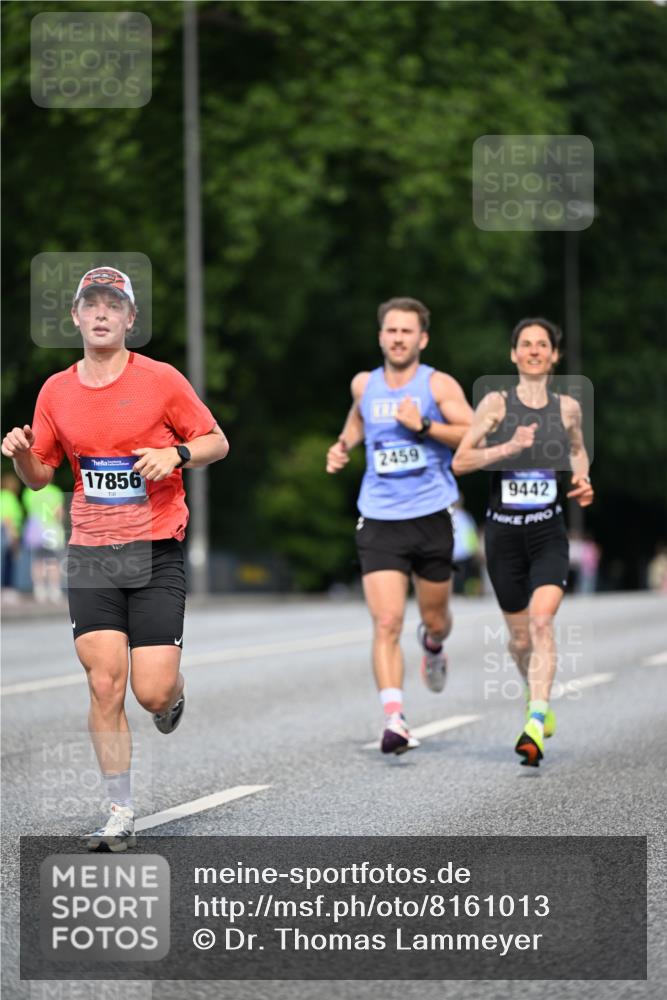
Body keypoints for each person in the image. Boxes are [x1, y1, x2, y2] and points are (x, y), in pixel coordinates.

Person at [1, 265, 229, 849]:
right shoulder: (56, 390)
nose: (101, 313)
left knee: (150, 691)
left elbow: (216, 441)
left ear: (130, 318)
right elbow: (40, 476)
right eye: (91, 304)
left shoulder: (161, 380)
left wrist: (175, 455)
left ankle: (174, 693)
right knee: (105, 684)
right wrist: (23, 455)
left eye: (113, 304)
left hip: (154, 548)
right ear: (76, 316)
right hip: (92, 551)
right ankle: (120, 812)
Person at [326, 297, 473, 754]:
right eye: (391, 331)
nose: (398, 338)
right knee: (386, 620)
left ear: (422, 339)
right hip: (380, 518)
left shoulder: (438, 384)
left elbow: (471, 433)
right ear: (381, 336)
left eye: (407, 331)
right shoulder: (364, 384)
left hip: (431, 516)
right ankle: (395, 719)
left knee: (436, 618)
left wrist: (424, 424)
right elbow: (358, 417)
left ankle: (432, 644)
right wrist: (344, 444)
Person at [452, 318, 594, 766]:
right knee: (519, 641)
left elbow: (575, 447)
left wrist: (583, 476)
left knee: (541, 623)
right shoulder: (496, 403)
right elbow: (461, 461)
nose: (534, 350)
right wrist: (508, 447)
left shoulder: (568, 408)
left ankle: (535, 719)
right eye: (526, 344)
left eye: (542, 345)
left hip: (547, 534)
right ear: (514, 354)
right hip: (503, 537)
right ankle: (537, 698)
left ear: (554, 356)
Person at [22, 480, 65, 602]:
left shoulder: (28, 491)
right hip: (51, 530)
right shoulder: (55, 491)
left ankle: (39, 590)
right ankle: (54, 591)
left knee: (37, 561)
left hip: (35, 529)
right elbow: (59, 513)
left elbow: (29, 510)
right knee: (53, 561)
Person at [0, 471, 24, 601]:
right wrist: (14, 539)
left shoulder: (2, 496)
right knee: (9, 563)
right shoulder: (10, 498)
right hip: (8, 534)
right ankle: (8, 590)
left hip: (4, 533)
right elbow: (8, 519)